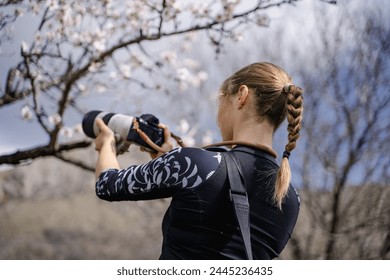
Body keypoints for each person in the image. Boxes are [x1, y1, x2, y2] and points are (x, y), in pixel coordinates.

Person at [94, 62, 303, 260]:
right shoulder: (291, 198)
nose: (218, 114)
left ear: (242, 95)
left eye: (221, 100)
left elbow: (107, 184)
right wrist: (166, 160)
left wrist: (106, 143)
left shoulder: (198, 165)